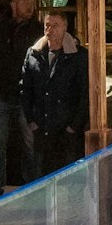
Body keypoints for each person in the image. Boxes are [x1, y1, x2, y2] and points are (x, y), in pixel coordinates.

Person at [0, 0, 43, 188]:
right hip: (0, 97)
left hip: (27, 98)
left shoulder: (38, 31)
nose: (30, 6)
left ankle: (33, 188)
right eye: (25, 1)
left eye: (32, 2)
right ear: (14, 4)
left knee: (31, 145)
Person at [21, 11, 90, 175]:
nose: (50, 30)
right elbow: (25, 89)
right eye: (47, 25)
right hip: (42, 127)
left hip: (66, 129)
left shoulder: (78, 56)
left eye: (55, 25)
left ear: (65, 27)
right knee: (42, 175)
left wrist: (73, 126)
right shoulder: (33, 53)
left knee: (70, 179)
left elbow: (85, 93)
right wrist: (31, 120)